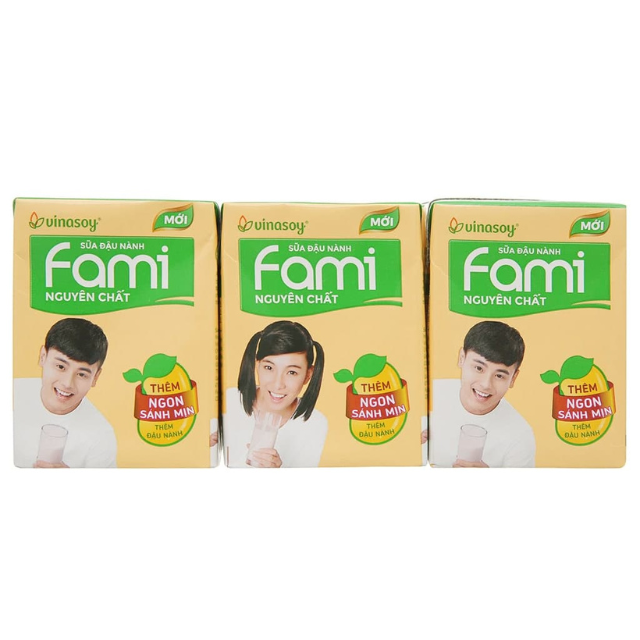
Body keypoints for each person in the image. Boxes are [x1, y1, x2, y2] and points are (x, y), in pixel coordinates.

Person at [429, 321, 535, 468]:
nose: (486, 384)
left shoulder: (520, 436)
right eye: (479, 368)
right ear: (461, 358)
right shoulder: (430, 396)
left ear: (513, 378)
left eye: (499, 376)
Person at [14, 318, 117, 468]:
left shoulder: (101, 436)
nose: (67, 383)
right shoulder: (12, 394)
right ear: (43, 357)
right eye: (61, 367)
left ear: (95, 377)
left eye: (81, 374)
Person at [224, 320, 328, 468]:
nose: (278, 384)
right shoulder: (229, 401)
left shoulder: (314, 423)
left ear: (307, 375)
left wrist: (279, 472)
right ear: (257, 365)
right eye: (269, 368)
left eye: (291, 372)